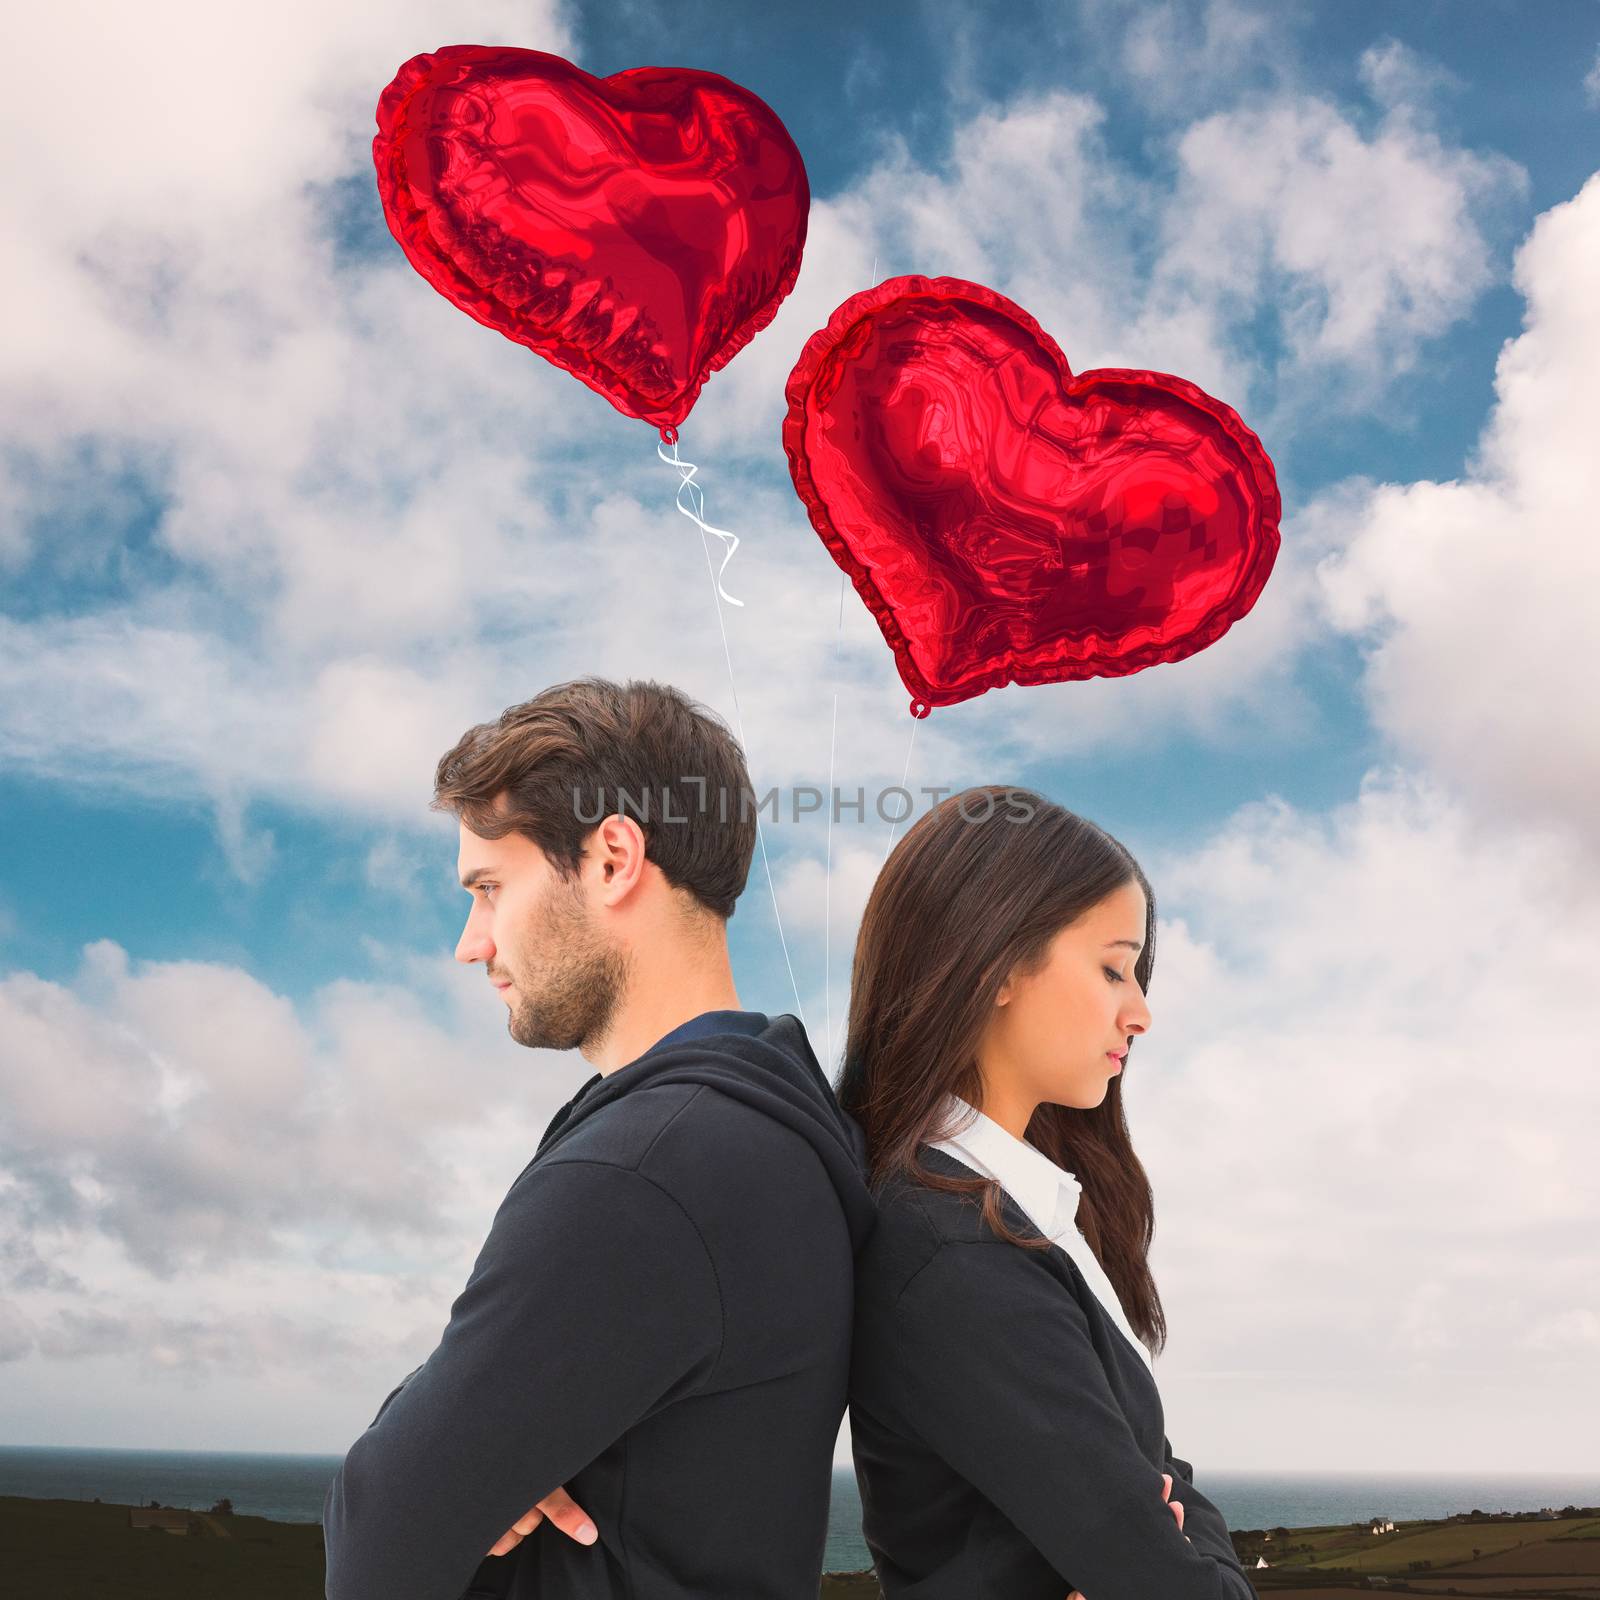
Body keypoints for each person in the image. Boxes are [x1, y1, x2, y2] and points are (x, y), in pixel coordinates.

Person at [322, 676, 876, 1600]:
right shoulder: (783, 1129)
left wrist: (453, 1458)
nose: (472, 941)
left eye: (491, 888)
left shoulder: (643, 1174)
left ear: (613, 857)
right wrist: (489, 1457)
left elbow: (376, 1542)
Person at [838, 786, 1256, 1600]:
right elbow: (1167, 1576)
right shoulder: (951, 1250)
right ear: (995, 964)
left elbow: (1164, 1478)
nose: (1140, 1013)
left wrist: (1167, 1521)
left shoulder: (1012, 1211)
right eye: (1111, 968)